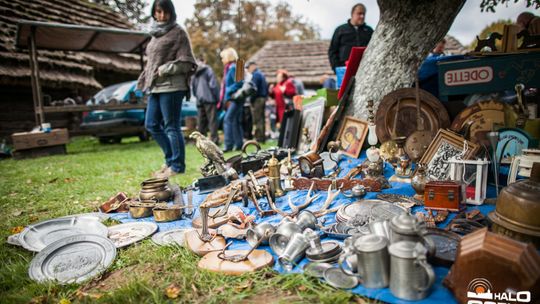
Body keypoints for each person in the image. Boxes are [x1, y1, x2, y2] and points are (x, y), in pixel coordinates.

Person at [137, 0, 197, 178]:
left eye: (165, 12)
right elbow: (152, 62)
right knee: (151, 125)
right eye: (158, 12)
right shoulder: (155, 34)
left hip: (172, 86)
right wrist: (145, 76)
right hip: (155, 86)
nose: (162, 16)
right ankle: (170, 159)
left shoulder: (178, 32)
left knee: (171, 126)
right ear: (154, 13)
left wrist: (165, 69)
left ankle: (177, 166)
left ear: (171, 13)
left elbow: (187, 62)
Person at [328, 3, 374, 72]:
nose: (362, 16)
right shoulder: (340, 30)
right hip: (344, 69)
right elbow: (332, 51)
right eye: (359, 13)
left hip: (365, 69)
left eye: (364, 14)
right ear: (352, 14)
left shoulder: (369, 31)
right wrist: (336, 68)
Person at [191, 56, 220, 145]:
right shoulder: (208, 70)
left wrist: (197, 96)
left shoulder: (193, 71)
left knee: (201, 122)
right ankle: (214, 140)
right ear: (204, 61)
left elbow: (193, 87)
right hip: (210, 99)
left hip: (199, 99)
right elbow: (213, 85)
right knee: (212, 121)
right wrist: (217, 97)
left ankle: (201, 143)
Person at [220, 47, 244, 152]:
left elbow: (239, 82)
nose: (222, 60)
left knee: (227, 119)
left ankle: (228, 145)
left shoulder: (233, 67)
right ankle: (239, 144)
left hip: (235, 98)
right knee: (234, 121)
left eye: (223, 57)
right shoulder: (230, 68)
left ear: (228, 57)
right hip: (234, 98)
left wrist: (228, 90)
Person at [246, 61, 268, 143]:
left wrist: (251, 99)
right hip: (262, 98)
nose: (248, 70)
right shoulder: (261, 74)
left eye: (248, 67)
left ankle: (259, 138)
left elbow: (253, 89)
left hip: (257, 99)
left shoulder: (255, 75)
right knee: (261, 119)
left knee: (258, 119)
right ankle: (262, 137)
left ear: (252, 66)